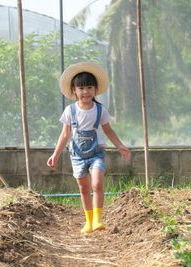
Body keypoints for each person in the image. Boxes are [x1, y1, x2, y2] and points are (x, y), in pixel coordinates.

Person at [47, 62, 130, 234]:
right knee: (84, 188)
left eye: (89, 87)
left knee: (97, 184)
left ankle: (98, 220)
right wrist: (55, 155)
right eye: (81, 88)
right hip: (77, 155)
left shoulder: (100, 110)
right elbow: (65, 135)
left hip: (96, 153)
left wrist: (120, 146)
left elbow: (108, 130)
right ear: (74, 90)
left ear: (95, 89)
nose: (85, 92)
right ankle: (89, 221)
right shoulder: (70, 111)